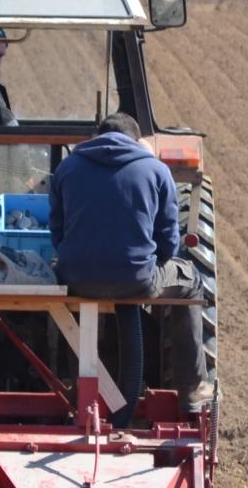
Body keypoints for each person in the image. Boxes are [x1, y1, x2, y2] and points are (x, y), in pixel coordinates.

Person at [48, 113, 214, 412]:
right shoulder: (156, 169)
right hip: (136, 278)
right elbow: (168, 241)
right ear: (136, 140)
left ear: (97, 136)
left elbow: (57, 232)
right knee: (191, 282)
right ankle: (190, 388)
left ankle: (78, 383)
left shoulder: (67, 167)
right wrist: (148, 262)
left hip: (76, 277)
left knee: (75, 299)